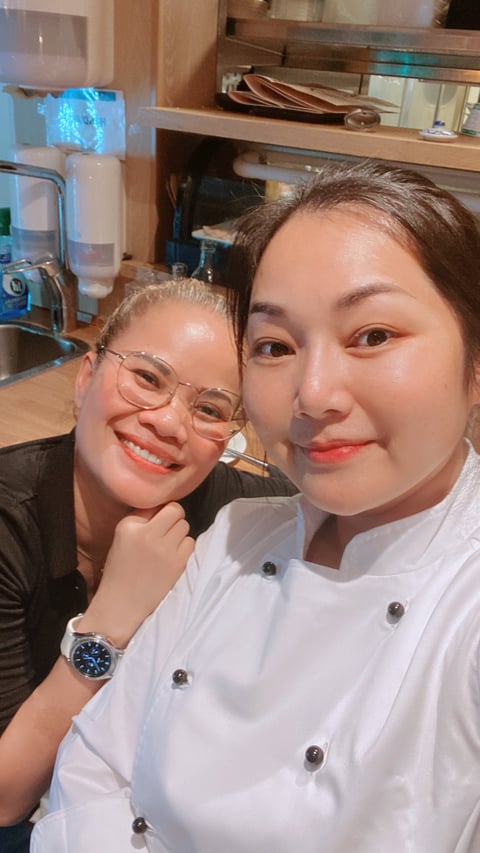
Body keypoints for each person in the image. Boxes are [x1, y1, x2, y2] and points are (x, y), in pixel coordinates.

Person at [31, 159, 480, 853]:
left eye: (372, 334)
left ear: (474, 363)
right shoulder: (237, 535)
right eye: (274, 345)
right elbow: (88, 768)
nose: (314, 393)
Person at [0, 278, 296, 851]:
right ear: (86, 378)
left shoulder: (237, 514)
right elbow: (6, 797)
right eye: (146, 378)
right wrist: (109, 624)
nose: (168, 422)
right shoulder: (11, 519)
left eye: (209, 408)